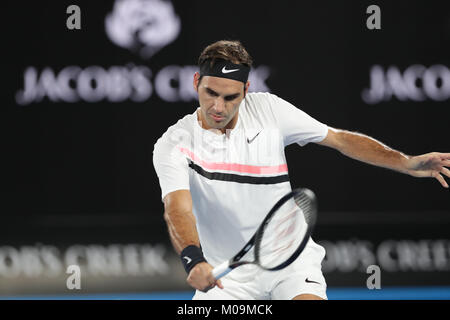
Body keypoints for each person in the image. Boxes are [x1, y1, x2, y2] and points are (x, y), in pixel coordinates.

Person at [152, 40, 450, 300]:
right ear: (195, 82)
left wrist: (406, 162)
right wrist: (193, 260)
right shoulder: (174, 143)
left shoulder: (270, 110)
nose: (218, 106)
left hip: (290, 263)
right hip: (227, 280)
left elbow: (340, 139)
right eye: (210, 93)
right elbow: (177, 209)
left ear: (246, 89)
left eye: (230, 97)